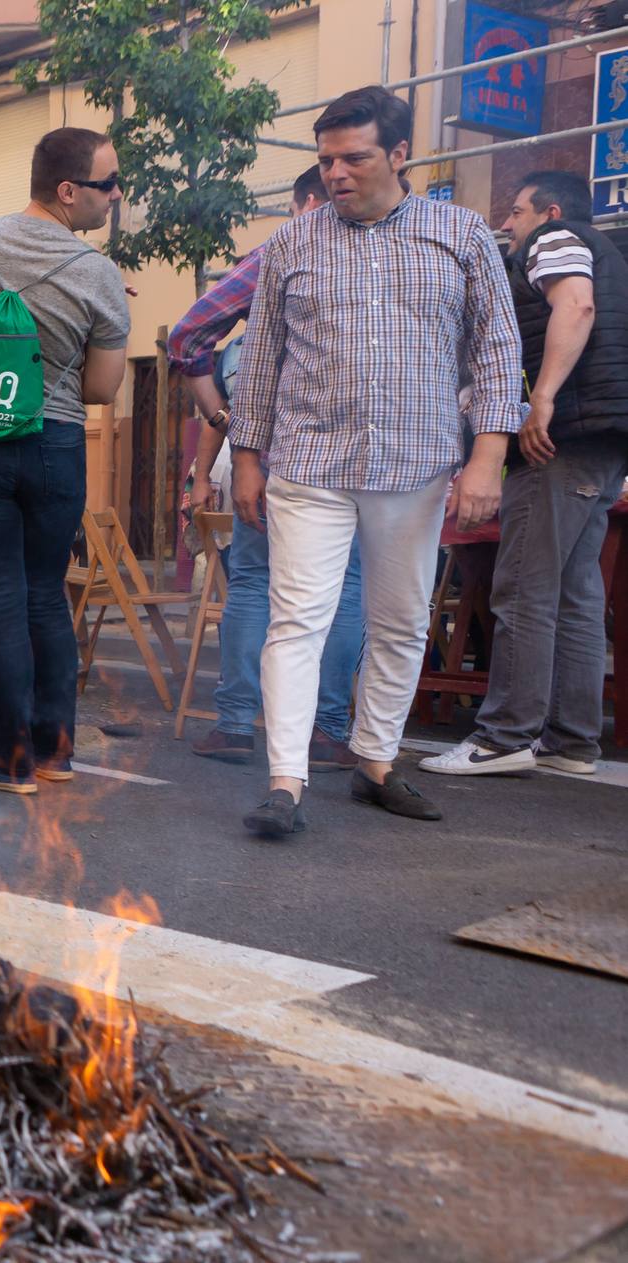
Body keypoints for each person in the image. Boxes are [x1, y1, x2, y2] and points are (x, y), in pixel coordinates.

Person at [229, 86, 517, 836]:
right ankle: (284, 781)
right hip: (308, 461)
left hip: (416, 464)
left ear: (397, 154)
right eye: (325, 159)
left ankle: (375, 764)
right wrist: (247, 459)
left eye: (352, 157)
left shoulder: (461, 234)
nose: (335, 173)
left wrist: (486, 456)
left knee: (396, 619)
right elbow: (259, 361)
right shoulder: (291, 242)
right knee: (297, 620)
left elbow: (495, 350)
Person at [0, 127, 132, 794]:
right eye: (108, 184)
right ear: (68, 190)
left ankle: (9, 760)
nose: (116, 196)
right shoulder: (100, 275)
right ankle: (55, 750)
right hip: (54, 445)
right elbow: (102, 391)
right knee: (45, 594)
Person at [421, 170, 628, 779]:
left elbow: (575, 304)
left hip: (562, 437)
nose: (506, 224)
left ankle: (504, 735)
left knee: (523, 586)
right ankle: (570, 742)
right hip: (605, 437)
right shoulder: (613, 255)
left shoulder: (555, 238)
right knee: (575, 592)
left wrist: (541, 401)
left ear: (551, 211)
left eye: (516, 212)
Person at [169, 165, 362, 770]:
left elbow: (188, 336)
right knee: (342, 590)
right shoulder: (394, 250)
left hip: (267, 463)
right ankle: (328, 731)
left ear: (303, 202)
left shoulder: (284, 250)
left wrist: (224, 422)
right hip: (352, 460)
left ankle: (234, 726)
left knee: (254, 584)